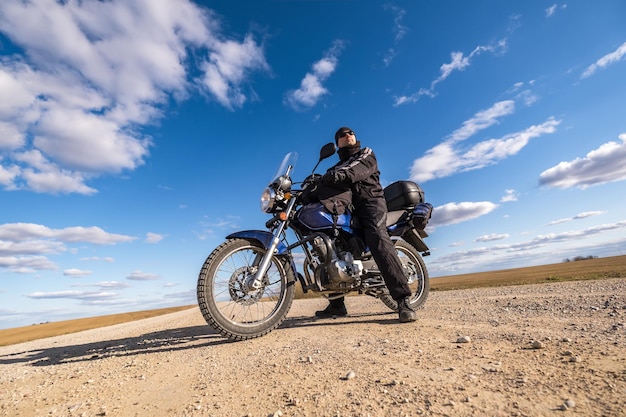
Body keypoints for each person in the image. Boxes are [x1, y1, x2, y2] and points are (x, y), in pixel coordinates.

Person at [314, 127, 417, 323]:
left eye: (350, 133)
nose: (348, 135)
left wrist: (331, 176)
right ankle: (337, 303)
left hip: (371, 203)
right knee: (331, 245)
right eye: (343, 135)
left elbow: (353, 171)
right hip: (349, 208)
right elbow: (326, 183)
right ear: (338, 143)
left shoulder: (365, 154)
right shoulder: (336, 167)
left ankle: (403, 299)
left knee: (377, 237)